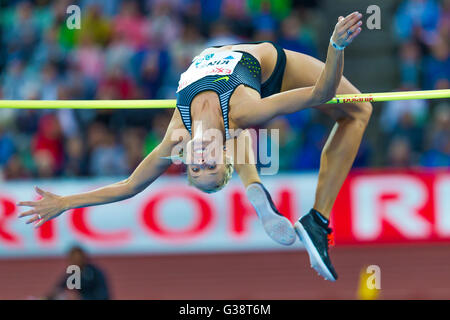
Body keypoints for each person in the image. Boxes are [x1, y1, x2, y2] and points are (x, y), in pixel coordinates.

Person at [19, 12, 371, 281]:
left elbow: (128, 186)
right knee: (358, 110)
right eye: (211, 166)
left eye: (196, 168)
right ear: (223, 158)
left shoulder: (177, 136)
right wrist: (336, 45)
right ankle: (317, 218)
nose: (202, 160)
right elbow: (322, 94)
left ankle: (258, 189)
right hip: (272, 67)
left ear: (186, 159)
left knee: (233, 130)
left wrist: (65, 202)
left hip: (220, 80)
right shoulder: (245, 110)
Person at [46, 246, 110, 300]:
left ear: (84, 259)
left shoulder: (96, 273)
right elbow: (59, 288)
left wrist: (80, 298)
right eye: (72, 259)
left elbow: (103, 296)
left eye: (77, 259)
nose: (75, 262)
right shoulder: (72, 274)